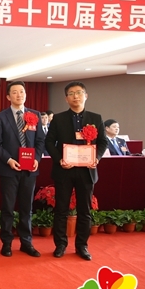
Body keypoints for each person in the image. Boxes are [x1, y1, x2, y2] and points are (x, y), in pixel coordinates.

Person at [45, 81, 107, 261]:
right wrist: (59, 159)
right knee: (61, 210)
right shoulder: (58, 119)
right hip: (64, 170)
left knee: (84, 211)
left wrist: (96, 158)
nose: (75, 96)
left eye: (79, 93)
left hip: (86, 171)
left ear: (85, 96)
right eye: (71, 93)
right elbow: (49, 142)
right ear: (66, 99)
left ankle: (82, 246)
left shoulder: (96, 118)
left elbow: (103, 142)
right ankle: (60, 244)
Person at [0, 81, 45, 258]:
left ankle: (26, 242)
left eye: (22, 91)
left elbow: (40, 141)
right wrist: (9, 160)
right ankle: (6, 243)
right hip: (9, 170)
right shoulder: (1, 117)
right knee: (8, 207)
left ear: (25, 94)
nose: (19, 95)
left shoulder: (35, 115)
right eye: (14, 92)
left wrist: (37, 158)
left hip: (29, 170)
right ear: (8, 96)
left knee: (26, 208)